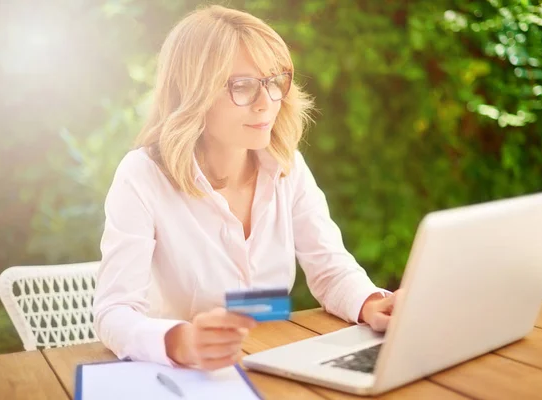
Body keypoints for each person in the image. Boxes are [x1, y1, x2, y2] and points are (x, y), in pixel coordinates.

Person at [92, 4, 397, 372]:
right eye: (242, 86)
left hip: (272, 361)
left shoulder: (285, 165)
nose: (266, 103)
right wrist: (179, 341)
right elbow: (113, 312)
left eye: (274, 81)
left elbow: (330, 269)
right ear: (192, 93)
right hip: (181, 377)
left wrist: (369, 302)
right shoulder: (142, 176)